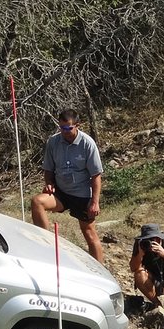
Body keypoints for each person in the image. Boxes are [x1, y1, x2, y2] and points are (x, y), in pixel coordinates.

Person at [30, 109, 104, 262]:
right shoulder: (53, 142)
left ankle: (101, 272)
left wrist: (95, 202)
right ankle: (47, 246)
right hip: (61, 192)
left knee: (89, 233)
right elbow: (48, 170)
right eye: (61, 128)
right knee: (37, 201)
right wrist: (49, 184)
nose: (64, 131)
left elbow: (96, 175)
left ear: (77, 125)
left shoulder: (87, 144)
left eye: (68, 128)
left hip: (82, 195)